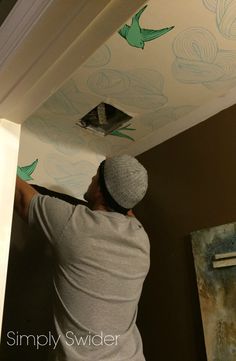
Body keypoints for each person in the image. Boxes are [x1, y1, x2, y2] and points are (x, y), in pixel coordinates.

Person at [14, 154, 150, 361]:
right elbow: (126, 204)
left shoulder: (76, 224)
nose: (91, 179)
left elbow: (22, 198)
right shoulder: (141, 238)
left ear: (100, 191)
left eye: (96, 176)